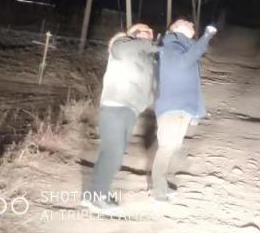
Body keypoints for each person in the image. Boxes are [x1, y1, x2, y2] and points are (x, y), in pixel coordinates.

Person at [82, 23, 157, 212]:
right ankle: (97, 198)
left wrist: (146, 101)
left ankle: (94, 195)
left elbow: (149, 85)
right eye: (148, 33)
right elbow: (125, 48)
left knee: (113, 154)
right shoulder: (122, 45)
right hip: (115, 106)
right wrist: (151, 46)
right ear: (135, 34)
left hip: (130, 110)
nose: (151, 37)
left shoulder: (143, 58)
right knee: (112, 154)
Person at [151, 19, 217, 201]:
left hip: (182, 107)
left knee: (173, 146)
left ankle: (161, 185)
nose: (192, 25)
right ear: (177, 28)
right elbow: (185, 62)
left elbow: (192, 77)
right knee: (166, 147)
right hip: (172, 106)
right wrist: (206, 36)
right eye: (187, 23)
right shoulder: (171, 45)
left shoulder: (183, 46)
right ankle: (158, 191)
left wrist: (197, 111)